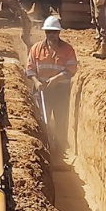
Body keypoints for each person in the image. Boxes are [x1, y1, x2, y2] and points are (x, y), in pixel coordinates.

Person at [25, 16, 78, 151]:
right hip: (41, 89)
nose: (51, 35)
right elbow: (30, 69)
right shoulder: (36, 49)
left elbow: (71, 69)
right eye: (49, 32)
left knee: (60, 120)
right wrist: (36, 82)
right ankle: (45, 149)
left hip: (60, 90)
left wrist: (56, 79)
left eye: (54, 32)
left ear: (59, 32)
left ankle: (60, 149)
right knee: (42, 121)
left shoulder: (68, 49)